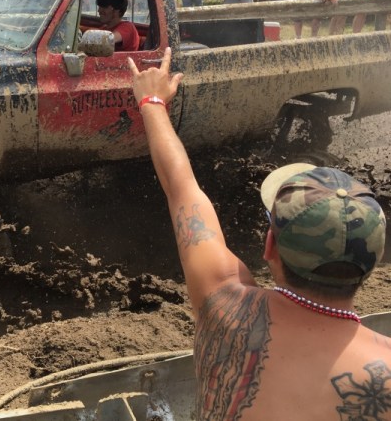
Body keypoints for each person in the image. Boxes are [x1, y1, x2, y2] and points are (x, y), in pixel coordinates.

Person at [128, 47, 389, 421]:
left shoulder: (224, 306)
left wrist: (152, 102)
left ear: (269, 246)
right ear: (372, 262)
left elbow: (182, 188)